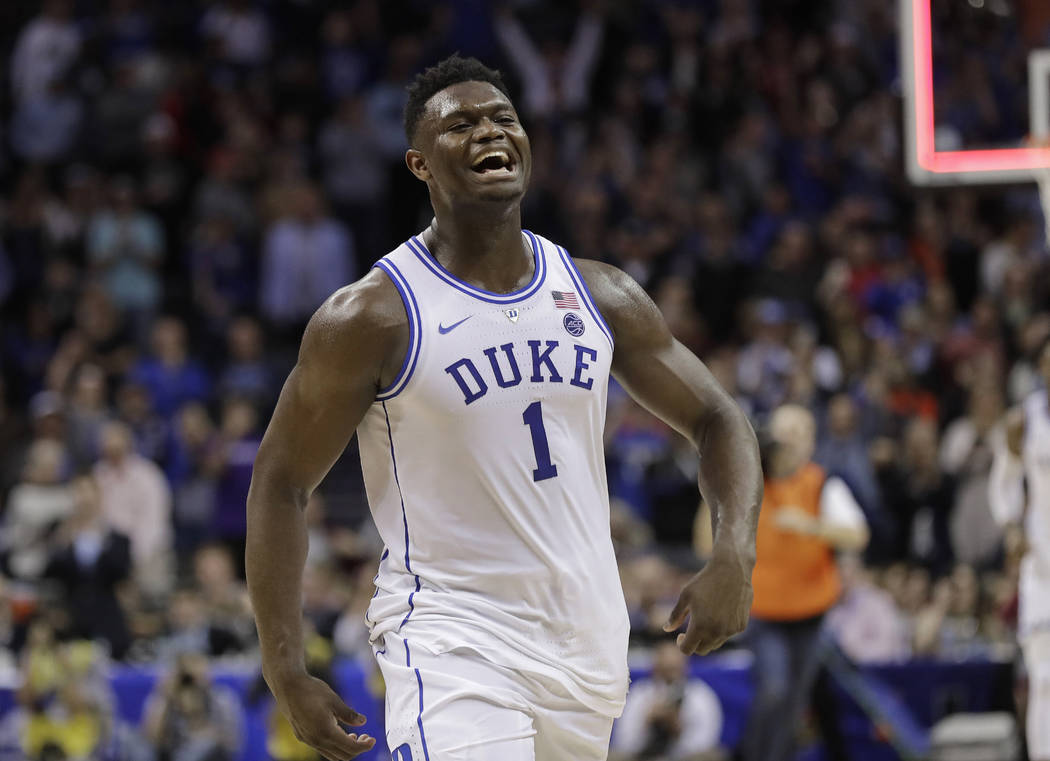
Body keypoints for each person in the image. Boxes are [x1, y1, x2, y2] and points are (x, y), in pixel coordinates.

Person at [246, 55, 762, 761]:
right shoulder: (372, 316)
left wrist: (734, 549)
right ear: (420, 165)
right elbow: (280, 482)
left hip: (586, 641)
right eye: (461, 124)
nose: (490, 131)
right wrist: (283, 667)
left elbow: (719, 418)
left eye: (504, 118)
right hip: (454, 638)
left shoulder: (597, 291)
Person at [741, 404, 868, 761]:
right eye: (784, 433)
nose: (790, 442)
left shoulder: (822, 483)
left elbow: (857, 534)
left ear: (811, 443)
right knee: (774, 691)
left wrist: (810, 526)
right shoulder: (749, 480)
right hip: (764, 611)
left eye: (799, 434)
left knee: (795, 701)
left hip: (810, 610)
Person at [989, 336, 1050, 761]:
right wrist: (1011, 526)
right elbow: (1003, 482)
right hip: (1043, 566)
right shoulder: (1022, 421)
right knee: (1044, 678)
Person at [610, 641, 726, 761]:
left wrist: (677, 729)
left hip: (684, 757)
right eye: (664, 671)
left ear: (684, 668)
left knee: (714, 755)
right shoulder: (639, 694)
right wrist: (646, 722)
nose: (669, 679)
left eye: (674, 670)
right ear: (654, 669)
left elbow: (706, 744)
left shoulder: (700, 696)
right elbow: (623, 744)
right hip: (644, 756)